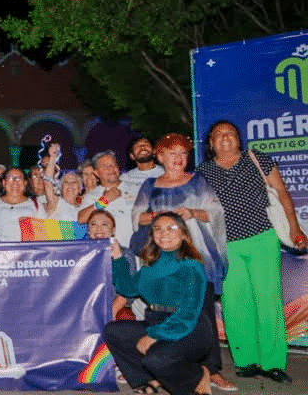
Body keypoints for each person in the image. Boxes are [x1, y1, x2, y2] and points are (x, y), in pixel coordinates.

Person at [197, 120, 307, 384]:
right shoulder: (203, 172)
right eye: (218, 134)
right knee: (235, 303)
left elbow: (282, 192)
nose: (225, 137)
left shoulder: (256, 159)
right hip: (226, 245)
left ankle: (273, 362)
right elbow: (200, 210)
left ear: (239, 139)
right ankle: (245, 360)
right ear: (211, 143)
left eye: (230, 133)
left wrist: (294, 227)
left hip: (262, 239)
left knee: (268, 300)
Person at [131, 133, 233, 391]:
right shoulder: (150, 185)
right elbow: (138, 217)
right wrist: (159, 216)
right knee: (168, 313)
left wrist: (192, 212)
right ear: (160, 157)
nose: (178, 158)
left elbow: (216, 212)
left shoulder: (198, 180)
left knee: (203, 314)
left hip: (197, 256)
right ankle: (174, 367)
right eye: (172, 153)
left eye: (183, 153)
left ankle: (211, 370)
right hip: (164, 261)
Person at [103, 213, 213, 395]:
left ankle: (197, 376)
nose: (164, 233)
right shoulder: (151, 264)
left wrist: (153, 335)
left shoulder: (191, 266)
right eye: (158, 229)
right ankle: (149, 380)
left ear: (183, 233)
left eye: (171, 228)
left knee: (156, 359)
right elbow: (128, 289)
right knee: (113, 331)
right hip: (156, 319)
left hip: (189, 328)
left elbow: (188, 312)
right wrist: (118, 258)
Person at [78, 151, 135, 251]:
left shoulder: (135, 188)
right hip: (104, 253)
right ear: (96, 173)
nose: (111, 169)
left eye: (113, 165)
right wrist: (104, 200)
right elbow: (81, 218)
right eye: (105, 166)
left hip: (133, 251)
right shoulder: (92, 195)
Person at [0, 168, 44, 242]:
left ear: (25, 183)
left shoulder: (36, 203)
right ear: (4, 182)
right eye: (10, 178)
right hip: (0, 247)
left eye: (19, 178)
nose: (15, 182)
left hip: (28, 247)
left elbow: (43, 231)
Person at [42, 143, 81, 220]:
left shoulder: (84, 208)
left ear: (80, 188)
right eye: (66, 182)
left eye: (74, 182)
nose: (70, 185)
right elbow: (48, 183)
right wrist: (53, 157)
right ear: (61, 188)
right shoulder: (57, 203)